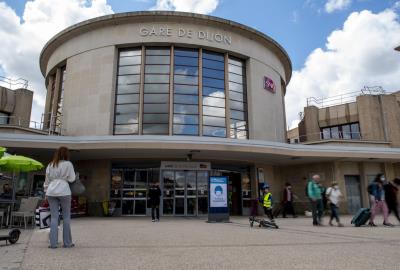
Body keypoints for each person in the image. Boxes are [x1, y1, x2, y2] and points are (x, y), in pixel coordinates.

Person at [44, 146, 76, 248]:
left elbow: (47, 181)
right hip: (64, 191)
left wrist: (46, 192)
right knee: (66, 217)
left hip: (51, 191)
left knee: (54, 217)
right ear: (66, 154)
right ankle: (67, 243)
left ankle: (53, 243)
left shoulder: (50, 164)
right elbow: (72, 179)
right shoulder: (68, 164)